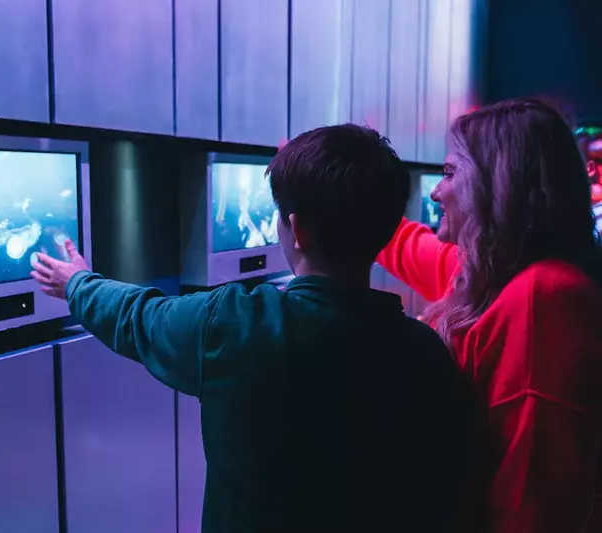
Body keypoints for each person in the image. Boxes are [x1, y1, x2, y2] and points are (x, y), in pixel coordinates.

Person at [32, 125, 477, 532]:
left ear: (295, 229)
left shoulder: (234, 325)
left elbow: (136, 317)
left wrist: (76, 282)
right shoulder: (426, 353)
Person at [375, 98, 602, 532]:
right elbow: (410, 248)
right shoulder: (494, 275)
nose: (437, 192)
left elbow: (531, 503)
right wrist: (332, 195)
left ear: (499, 182)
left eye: (449, 173)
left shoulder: (543, 297)